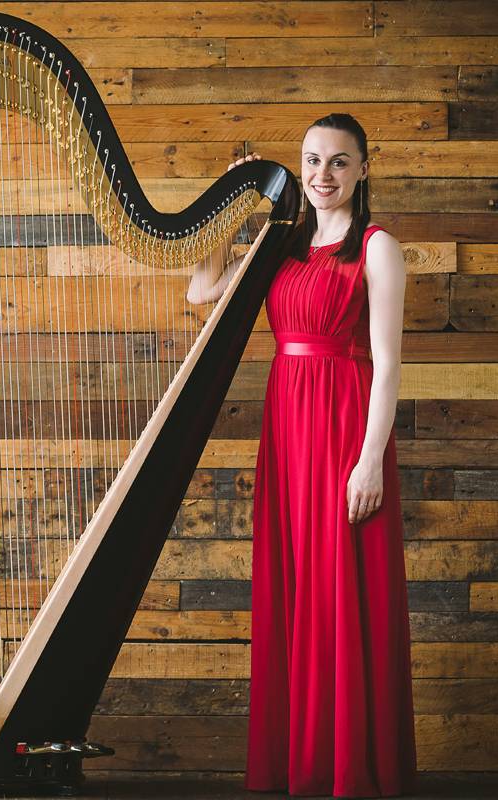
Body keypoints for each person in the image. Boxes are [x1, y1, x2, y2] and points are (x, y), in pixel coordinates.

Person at [187, 113, 417, 797]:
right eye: (312, 161)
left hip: (346, 424)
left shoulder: (378, 248)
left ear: (364, 169)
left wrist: (370, 459)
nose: (322, 175)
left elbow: (388, 366)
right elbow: (202, 289)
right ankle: (307, 758)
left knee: (345, 585)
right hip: (288, 424)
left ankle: (351, 761)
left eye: (340, 162)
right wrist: (235, 204)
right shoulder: (277, 245)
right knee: (297, 585)